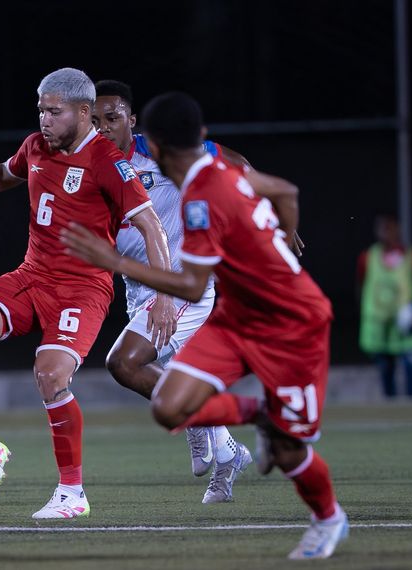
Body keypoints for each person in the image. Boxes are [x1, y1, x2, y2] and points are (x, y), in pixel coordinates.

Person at [62, 92, 348, 559]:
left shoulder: (200, 198)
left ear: (150, 142)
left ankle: (328, 518)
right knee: (169, 406)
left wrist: (113, 260)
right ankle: (260, 415)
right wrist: (280, 238)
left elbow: (192, 287)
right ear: (201, 137)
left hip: (293, 326)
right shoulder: (224, 173)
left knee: (292, 453)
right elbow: (285, 192)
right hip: (237, 319)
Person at [0, 68, 171, 519]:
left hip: (82, 290)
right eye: (41, 110)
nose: (44, 119)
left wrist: (165, 295)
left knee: (51, 375)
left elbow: (151, 226)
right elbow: (3, 174)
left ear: (84, 112)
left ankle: (72, 494)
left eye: (54, 112)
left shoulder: (108, 161)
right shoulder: (36, 146)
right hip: (32, 277)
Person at [92, 80, 251, 504]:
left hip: (181, 286)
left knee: (124, 363)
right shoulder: (90, 164)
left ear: (131, 118)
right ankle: (223, 454)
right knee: (175, 374)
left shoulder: (161, 153)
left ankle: (217, 438)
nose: (103, 127)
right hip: (136, 291)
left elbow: (235, 163)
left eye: (112, 118)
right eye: (94, 120)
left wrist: (271, 220)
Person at [357, 213, 412, 399]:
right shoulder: (369, 257)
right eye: (382, 228)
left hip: (405, 324)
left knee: (410, 365)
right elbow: (361, 285)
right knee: (386, 370)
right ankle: (390, 409)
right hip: (380, 325)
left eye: (389, 228)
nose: (385, 233)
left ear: (398, 229)